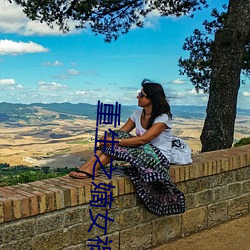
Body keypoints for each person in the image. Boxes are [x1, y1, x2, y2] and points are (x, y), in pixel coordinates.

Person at [69, 79, 185, 215]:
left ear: (152, 98)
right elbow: (122, 132)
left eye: (142, 95)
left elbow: (144, 139)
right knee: (114, 137)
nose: (138, 97)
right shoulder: (137, 114)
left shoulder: (162, 117)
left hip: (158, 158)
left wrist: (113, 141)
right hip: (141, 151)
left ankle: (91, 168)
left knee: (115, 141)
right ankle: (89, 167)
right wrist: (107, 139)